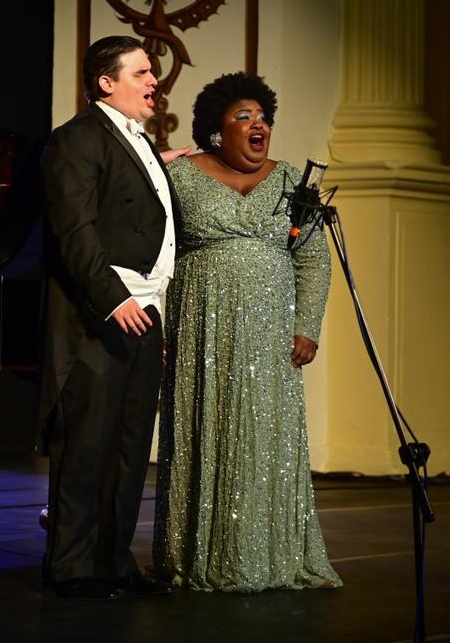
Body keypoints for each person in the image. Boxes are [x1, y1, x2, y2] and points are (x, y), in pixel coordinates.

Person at [153, 72, 342, 592]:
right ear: (217, 130)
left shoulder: (291, 181)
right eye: (244, 116)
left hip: (270, 335)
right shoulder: (180, 177)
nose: (259, 125)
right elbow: (152, 252)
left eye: (263, 118)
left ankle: (270, 558)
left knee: (265, 439)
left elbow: (314, 258)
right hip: (200, 330)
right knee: (205, 429)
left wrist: (307, 326)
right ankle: (196, 555)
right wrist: (157, 323)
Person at [39, 36, 185, 601]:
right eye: (142, 72)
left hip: (145, 312)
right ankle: (71, 567)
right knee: (86, 444)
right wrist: (112, 299)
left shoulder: (138, 140)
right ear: (107, 82)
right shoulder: (76, 139)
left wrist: (150, 306)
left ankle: (114, 562)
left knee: (129, 445)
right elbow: (75, 232)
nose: (154, 81)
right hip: (100, 315)